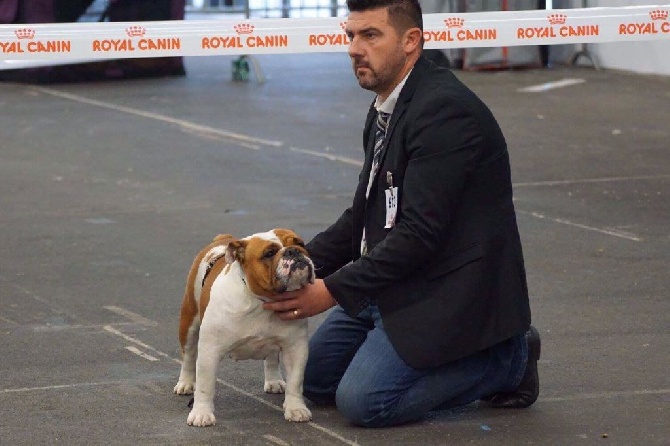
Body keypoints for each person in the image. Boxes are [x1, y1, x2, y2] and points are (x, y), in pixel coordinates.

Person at [264, 0, 540, 428]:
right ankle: (397, 346)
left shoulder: (446, 112)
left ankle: (510, 359)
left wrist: (331, 291)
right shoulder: (387, 103)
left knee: (364, 402)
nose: (355, 48)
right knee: (312, 381)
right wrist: (293, 264)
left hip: (450, 289)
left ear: (411, 41)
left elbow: (419, 234)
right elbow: (365, 211)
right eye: (350, 35)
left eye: (370, 35)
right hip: (394, 278)